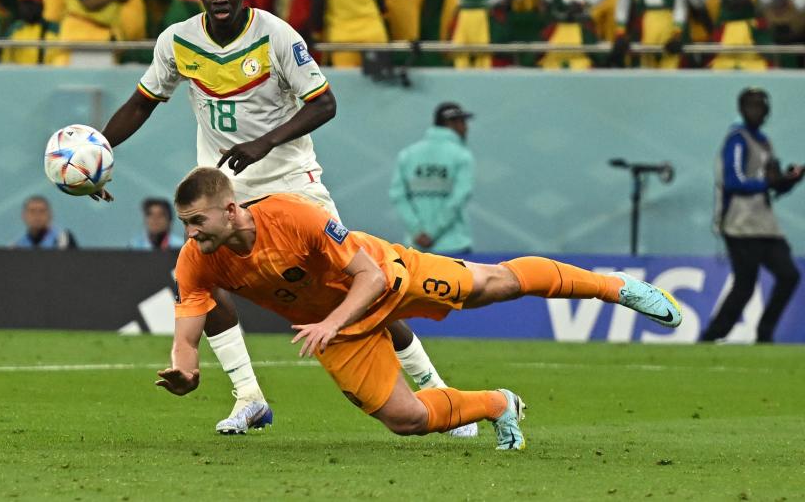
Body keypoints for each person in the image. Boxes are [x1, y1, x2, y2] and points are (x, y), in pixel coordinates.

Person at [96, 0, 466, 437]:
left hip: (291, 182)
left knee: (350, 287)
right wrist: (100, 152)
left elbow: (324, 103)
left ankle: (433, 386)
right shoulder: (177, 42)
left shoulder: (275, 36)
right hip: (221, 189)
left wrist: (264, 142)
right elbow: (141, 104)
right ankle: (249, 397)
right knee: (202, 283)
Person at [155, 167, 683, 447]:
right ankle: (500, 405)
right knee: (405, 421)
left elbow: (369, 275)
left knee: (494, 285)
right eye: (185, 222)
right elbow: (187, 330)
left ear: (230, 209)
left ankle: (614, 288)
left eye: (197, 221)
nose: (190, 232)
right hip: (338, 332)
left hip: (387, 279)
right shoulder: (196, 260)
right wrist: (185, 370)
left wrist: (331, 321)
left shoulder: (294, 217)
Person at [703, 88, 803, 344]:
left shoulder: (765, 142)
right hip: (740, 224)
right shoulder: (737, 139)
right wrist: (768, 183)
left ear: (766, 112)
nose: (755, 112)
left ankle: (764, 332)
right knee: (745, 285)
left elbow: (773, 182)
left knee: (789, 275)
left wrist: (789, 179)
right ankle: (713, 335)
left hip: (766, 225)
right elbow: (733, 181)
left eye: (760, 108)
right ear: (742, 109)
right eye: (751, 107)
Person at [389, 102, 475, 255]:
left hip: (416, 248)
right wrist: (432, 232)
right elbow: (457, 199)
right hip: (454, 244)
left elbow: (398, 196)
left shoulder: (408, 154)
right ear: (451, 123)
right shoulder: (462, 156)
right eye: (462, 122)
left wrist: (418, 231)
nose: (466, 128)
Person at [0, 0, 63, 65]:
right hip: (20, 75)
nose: (27, 8)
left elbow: (61, 59)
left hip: (47, 75)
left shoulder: (54, 29)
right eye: (24, 4)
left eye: (31, 4)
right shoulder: (13, 29)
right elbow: (5, 60)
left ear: (41, 6)